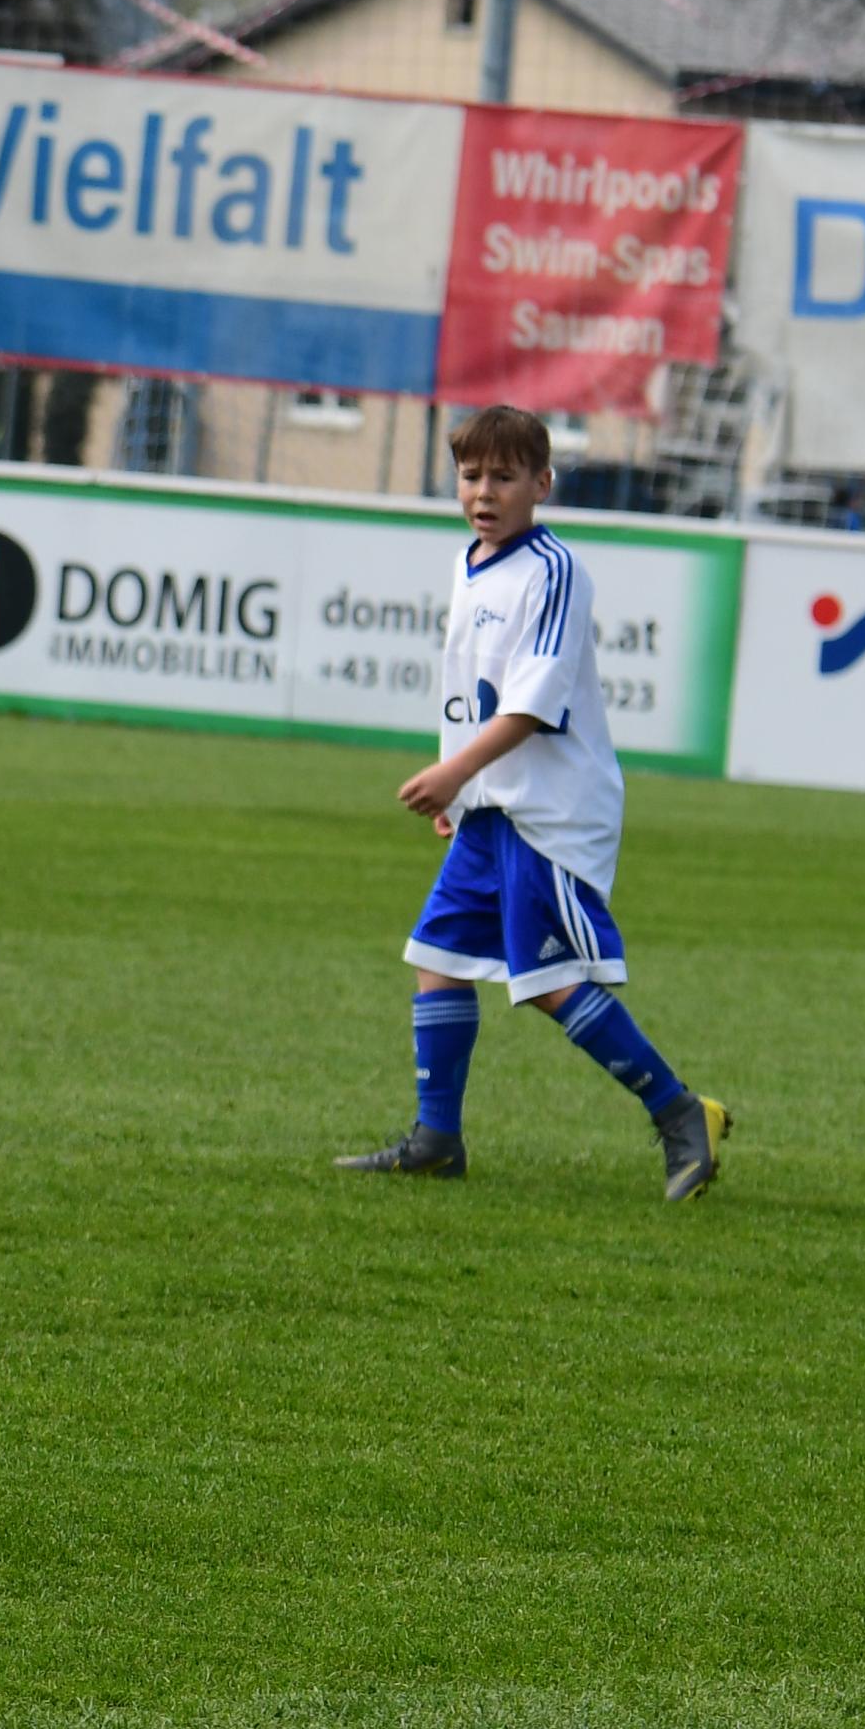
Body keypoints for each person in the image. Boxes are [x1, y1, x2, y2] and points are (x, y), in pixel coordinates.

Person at [338, 405, 729, 1199]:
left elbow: (534, 702)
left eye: (504, 477)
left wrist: (455, 773)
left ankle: (682, 1112)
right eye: (471, 476)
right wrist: (462, 789)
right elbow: (471, 693)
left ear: (542, 483)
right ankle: (437, 1139)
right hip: (493, 805)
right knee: (438, 959)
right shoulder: (471, 564)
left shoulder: (555, 570)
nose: (485, 492)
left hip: (549, 809)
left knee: (548, 980)